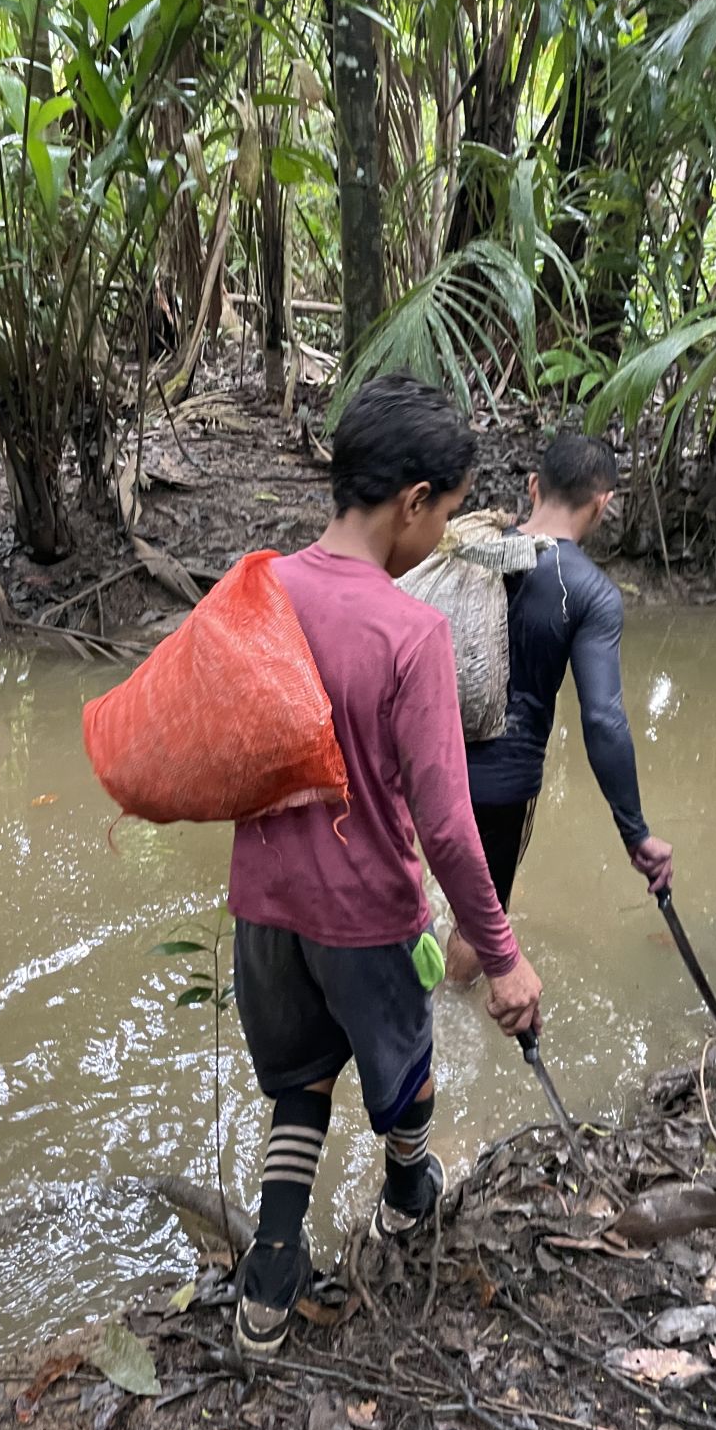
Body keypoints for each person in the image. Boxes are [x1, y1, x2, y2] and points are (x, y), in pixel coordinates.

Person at [226, 373, 544, 1356]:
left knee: (301, 1083)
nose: (440, 534)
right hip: (373, 923)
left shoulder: (262, 589)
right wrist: (501, 956)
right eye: (445, 515)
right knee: (404, 1073)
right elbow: (448, 829)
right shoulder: (413, 632)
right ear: (414, 502)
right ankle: (410, 1192)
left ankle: (269, 1279)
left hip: (264, 911)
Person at [446, 433, 673, 985]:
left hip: (425, 760)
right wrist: (635, 832)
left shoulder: (469, 547)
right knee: (482, 921)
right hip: (501, 784)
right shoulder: (592, 592)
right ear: (602, 503)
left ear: (533, 486)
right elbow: (602, 718)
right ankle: (450, 1005)